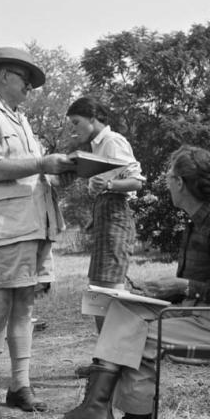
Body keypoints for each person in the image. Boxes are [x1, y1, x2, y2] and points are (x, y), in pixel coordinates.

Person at [35, 145, 210, 419]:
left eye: (170, 176)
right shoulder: (198, 220)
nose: (166, 181)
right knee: (125, 315)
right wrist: (162, 291)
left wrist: (183, 285)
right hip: (207, 315)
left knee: (137, 336)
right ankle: (110, 417)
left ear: (181, 183)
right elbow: (209, 285)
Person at [0, 47, 76, 419]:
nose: (29, 87)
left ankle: (19, 385)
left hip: (33, 225)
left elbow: (30, 172)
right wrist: (43, 162)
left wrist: (61, 170)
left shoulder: (21, 121)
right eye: (25, 79)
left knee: (25, 306)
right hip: (2, 227)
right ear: (4, 76)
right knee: (0, 306)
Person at [66, 97, 145, 346]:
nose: (74, 129)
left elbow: (137, 182)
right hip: (105, 215)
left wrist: (109, 184)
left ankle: (116, 357)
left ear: (92, 118)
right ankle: (107, 356)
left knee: (108, 292)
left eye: (76, 122)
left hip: (117, 215)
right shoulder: (97, 147)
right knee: (98, 293)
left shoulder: (113, 141)